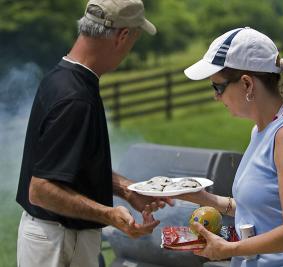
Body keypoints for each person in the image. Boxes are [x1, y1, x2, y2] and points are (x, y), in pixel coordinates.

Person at [15, 1, 173, 266]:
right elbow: (41, 190)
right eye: (134, 39)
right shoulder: (75, 98)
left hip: (56, 238)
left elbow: (72, 166)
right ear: (123, 36)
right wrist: (109, 215)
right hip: (61, 243)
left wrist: (127, 189)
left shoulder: (64, 77)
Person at [181, 27, 283, 266]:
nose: (216, 97)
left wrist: (229, 248)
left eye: (218, 87)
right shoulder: (262, 131)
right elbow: (267, 210)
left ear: (247, 84)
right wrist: (204, 198)